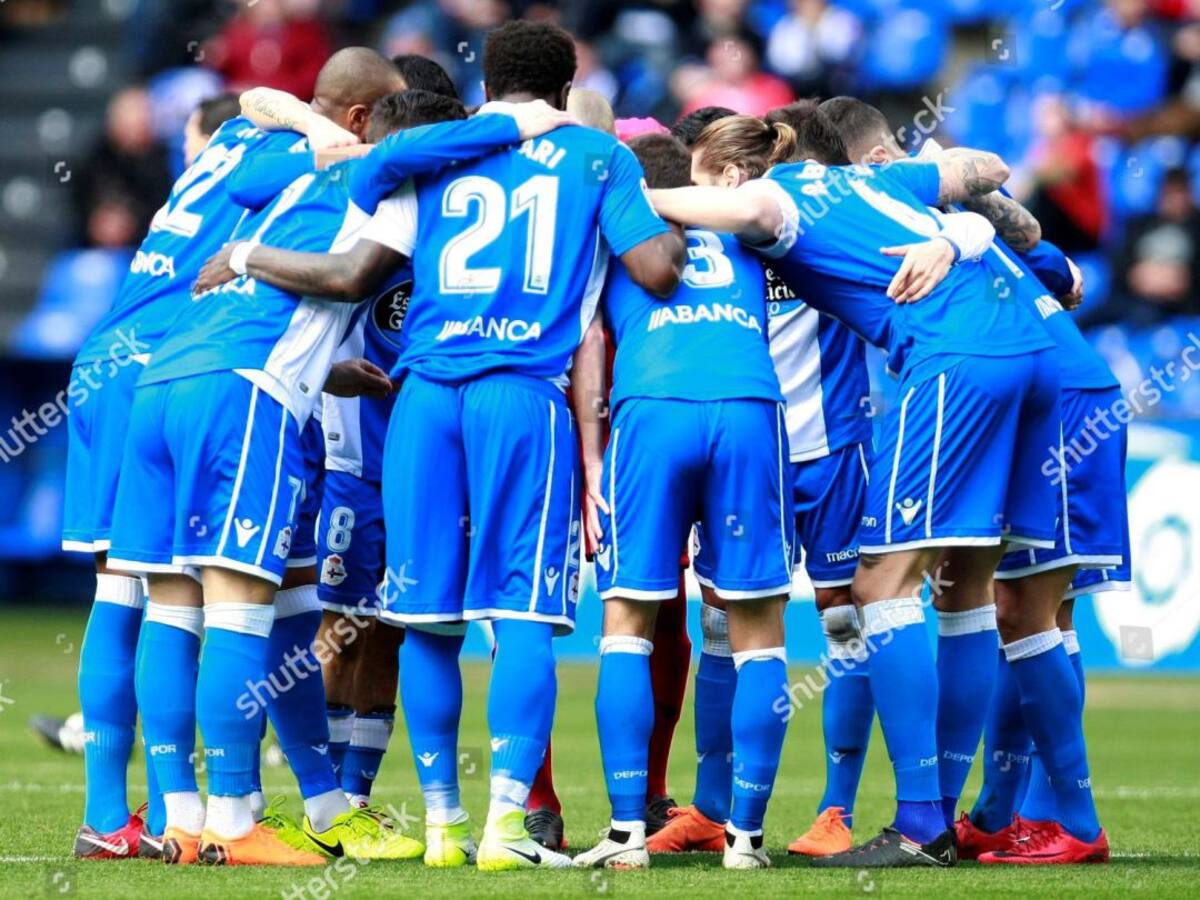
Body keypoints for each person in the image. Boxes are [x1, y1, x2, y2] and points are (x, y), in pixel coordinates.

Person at [193, 20, 684, 871]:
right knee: (522, 616)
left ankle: (443, 825)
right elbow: (657, 270)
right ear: (566, 90)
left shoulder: (430, 154)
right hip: (521, 395)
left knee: (425, 618)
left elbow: (353, 262)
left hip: (422, 398)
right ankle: (506, 829)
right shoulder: (599, 156)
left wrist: (248, 248)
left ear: (485, 87)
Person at [108, 71, 561, 865]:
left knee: (172, 607)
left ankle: (182, 818)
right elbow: (354, 269)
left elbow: (248, 153)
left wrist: (309, 132)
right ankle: (235, 822)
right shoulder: (388, 176)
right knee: (239, 608)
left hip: (166, 379)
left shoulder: (293, 171)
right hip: (244, 389)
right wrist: (533, 120)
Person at [650, 104, 1062, 868]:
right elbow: (987, 172)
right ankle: (727, 809)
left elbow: (751, 208)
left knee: (868, 601)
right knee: (951, 592)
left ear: (735, 172)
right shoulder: (858, 190)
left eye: (699, 172)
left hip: (848, 436)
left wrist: (617, 192)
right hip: (762, 442)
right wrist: (959, 231)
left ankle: (865, 813)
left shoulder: (774, 203)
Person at [825, 99, 1120, 865]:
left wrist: (957, 202)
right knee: (1020, 607)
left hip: (1056, 399)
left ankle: (1070, 819)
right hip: (1056, 389)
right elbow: (1062, 273)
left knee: (1027, 610)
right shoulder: (951, 224)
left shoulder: (915, 215)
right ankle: (999, 812)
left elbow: (1059, 270)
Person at [573, 131, 792, 871]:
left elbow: (588, 342)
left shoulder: (611, 233)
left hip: (652, 408)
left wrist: (592, 453)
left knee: (627, 622)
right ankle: (745, 839)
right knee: (759, 631)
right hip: (748, 407)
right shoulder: (748, 226)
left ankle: (626, 833)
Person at [63, 91, 242, 862]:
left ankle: (112, 815)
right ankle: (167, 811)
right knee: (175, 593)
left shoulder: (190, 187)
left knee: (121, 588)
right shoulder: (262, 168)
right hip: (160, 373)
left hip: (107, 362)